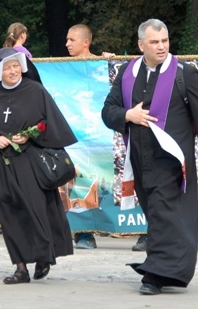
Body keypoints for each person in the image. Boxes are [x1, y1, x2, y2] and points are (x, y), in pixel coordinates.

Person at [101, 19, 198, 295]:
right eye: (154, 42)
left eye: (165, 41)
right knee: (156, 215)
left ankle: (154, 275)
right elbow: (108, 110)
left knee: (164, 214)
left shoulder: (184, 72)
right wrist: (126, 115)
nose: (161, 46)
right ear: (141, 44)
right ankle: (168, 270)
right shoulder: (127, 71)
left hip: (172, 161)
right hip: (140, 160)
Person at [0, 47, 77, 284]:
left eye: (16, 66)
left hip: (30, 161)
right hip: (2, 163)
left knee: (36, 209)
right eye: (7, 67)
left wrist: (31, 136)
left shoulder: (35, 91)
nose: (13, 71)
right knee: (10, 214)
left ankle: (43, 257)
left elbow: (49, 123)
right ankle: (20, 268)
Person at [65, 23, 113, 249]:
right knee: (79, 182)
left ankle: (130, 229)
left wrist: (111, 63)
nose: (67, 44)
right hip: (76, 138)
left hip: (102, 136)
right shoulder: (62, 68)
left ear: (86, 42)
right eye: (66, 40)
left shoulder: (101, 64)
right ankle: (83, 233)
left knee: (108, 184)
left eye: (72, 40)